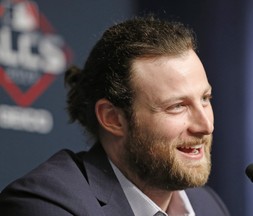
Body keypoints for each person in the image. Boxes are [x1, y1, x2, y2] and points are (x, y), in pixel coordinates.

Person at [0, 15, 230, 216]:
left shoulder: (208, 205)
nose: (206, 125)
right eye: (177, 106)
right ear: (112, 118)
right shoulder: (44, 205)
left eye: (205, 99)